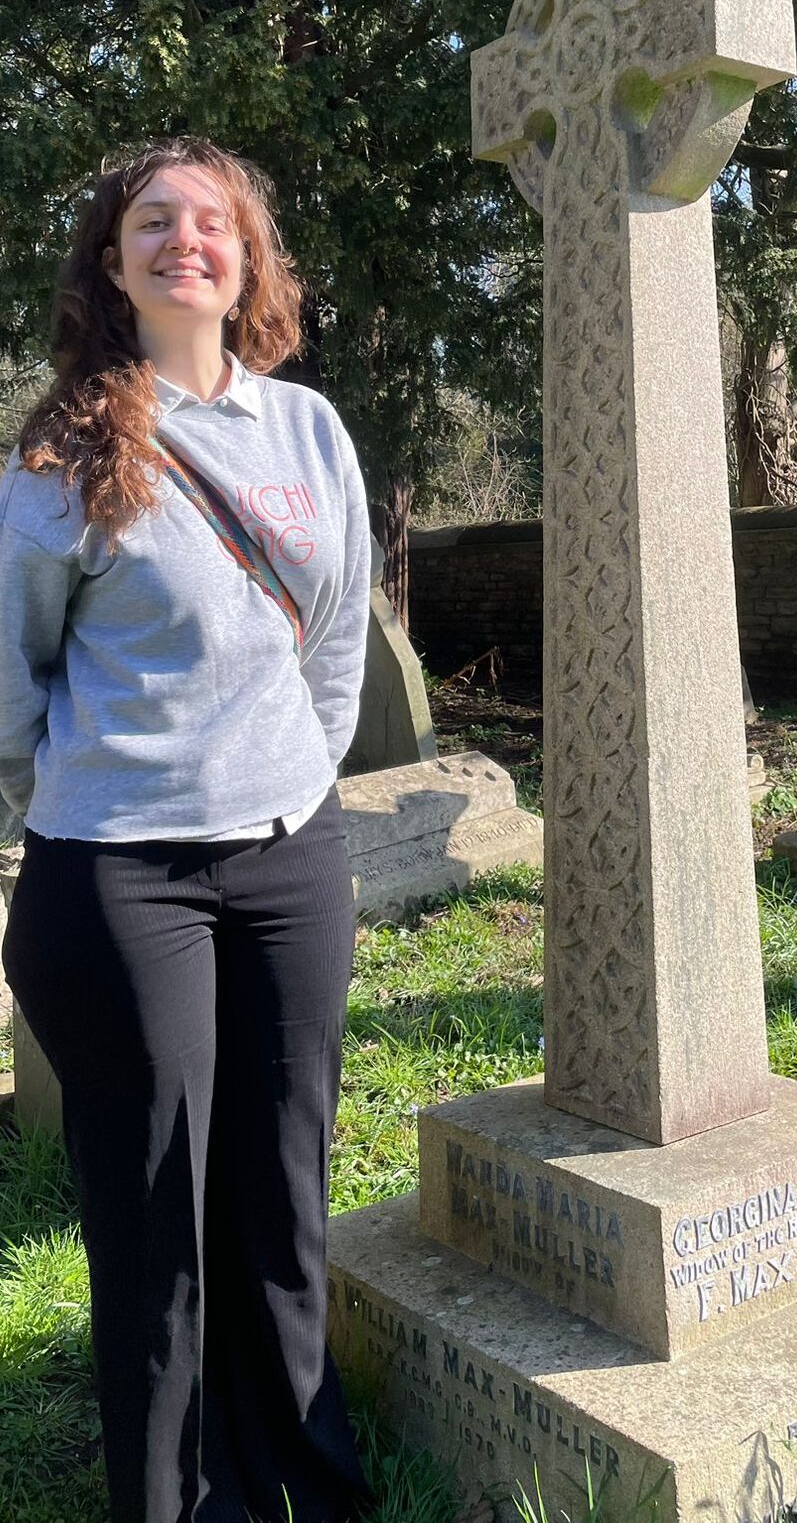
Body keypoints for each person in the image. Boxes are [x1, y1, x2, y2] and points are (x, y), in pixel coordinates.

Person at [0, 136, 374, 1523]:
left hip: (291, 858)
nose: (185, 241)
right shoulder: (67, 449)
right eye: (152, 222)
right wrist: (107, 795)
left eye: (212, 223)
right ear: (113, 262)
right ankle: (172, 1496)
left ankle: (304, 1482)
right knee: (158, 1216)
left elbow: (334, 639)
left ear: (247, 262)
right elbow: (8, 681)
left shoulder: (309, 433)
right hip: (120, 878)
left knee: (283, 1188)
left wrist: (291, 774)